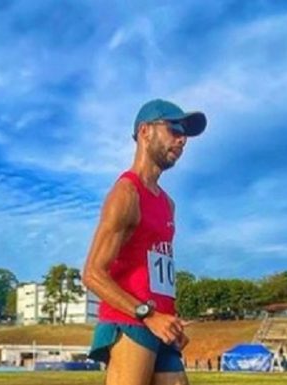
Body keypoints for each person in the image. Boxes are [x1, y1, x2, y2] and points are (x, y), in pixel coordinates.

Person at [83, 99, 207, 385]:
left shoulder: (167, 204)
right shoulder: (126, 194)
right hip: (131, 322)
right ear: (145, 131)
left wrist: (167, 319)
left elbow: (153, 272)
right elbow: (92, 274)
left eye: (184, 134)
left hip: (160, 324)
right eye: (174, 128)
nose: (182, 139)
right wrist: (148, 315)